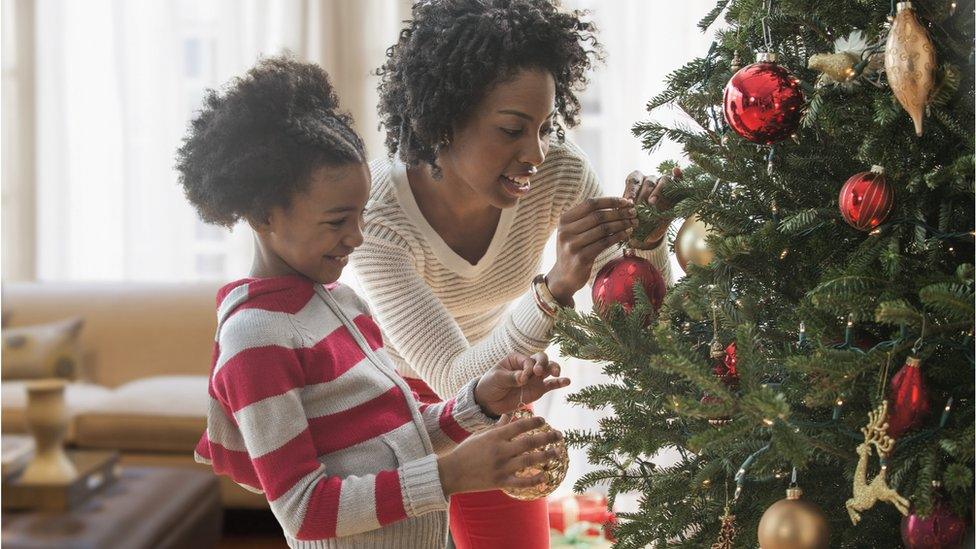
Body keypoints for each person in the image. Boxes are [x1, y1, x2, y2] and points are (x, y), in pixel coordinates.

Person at [177, 54, 571, 548]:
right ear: (264, 216)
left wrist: (478, 404)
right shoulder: (256, 338)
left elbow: (395, 441)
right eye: (336, 221)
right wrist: (449, 476)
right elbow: (304, 508)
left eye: (360, 216)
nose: (357, 237)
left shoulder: (342, 303)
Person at [350, 1, 675, 547]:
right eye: (511, 130)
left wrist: (647, 242)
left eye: (545, 127)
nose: (536, 153)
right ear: (443, 121)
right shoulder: (378, 214)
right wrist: (555, 289)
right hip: (391, 397)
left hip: (497, 384)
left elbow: (633, 313)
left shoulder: (559, 172)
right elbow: (456, 379)